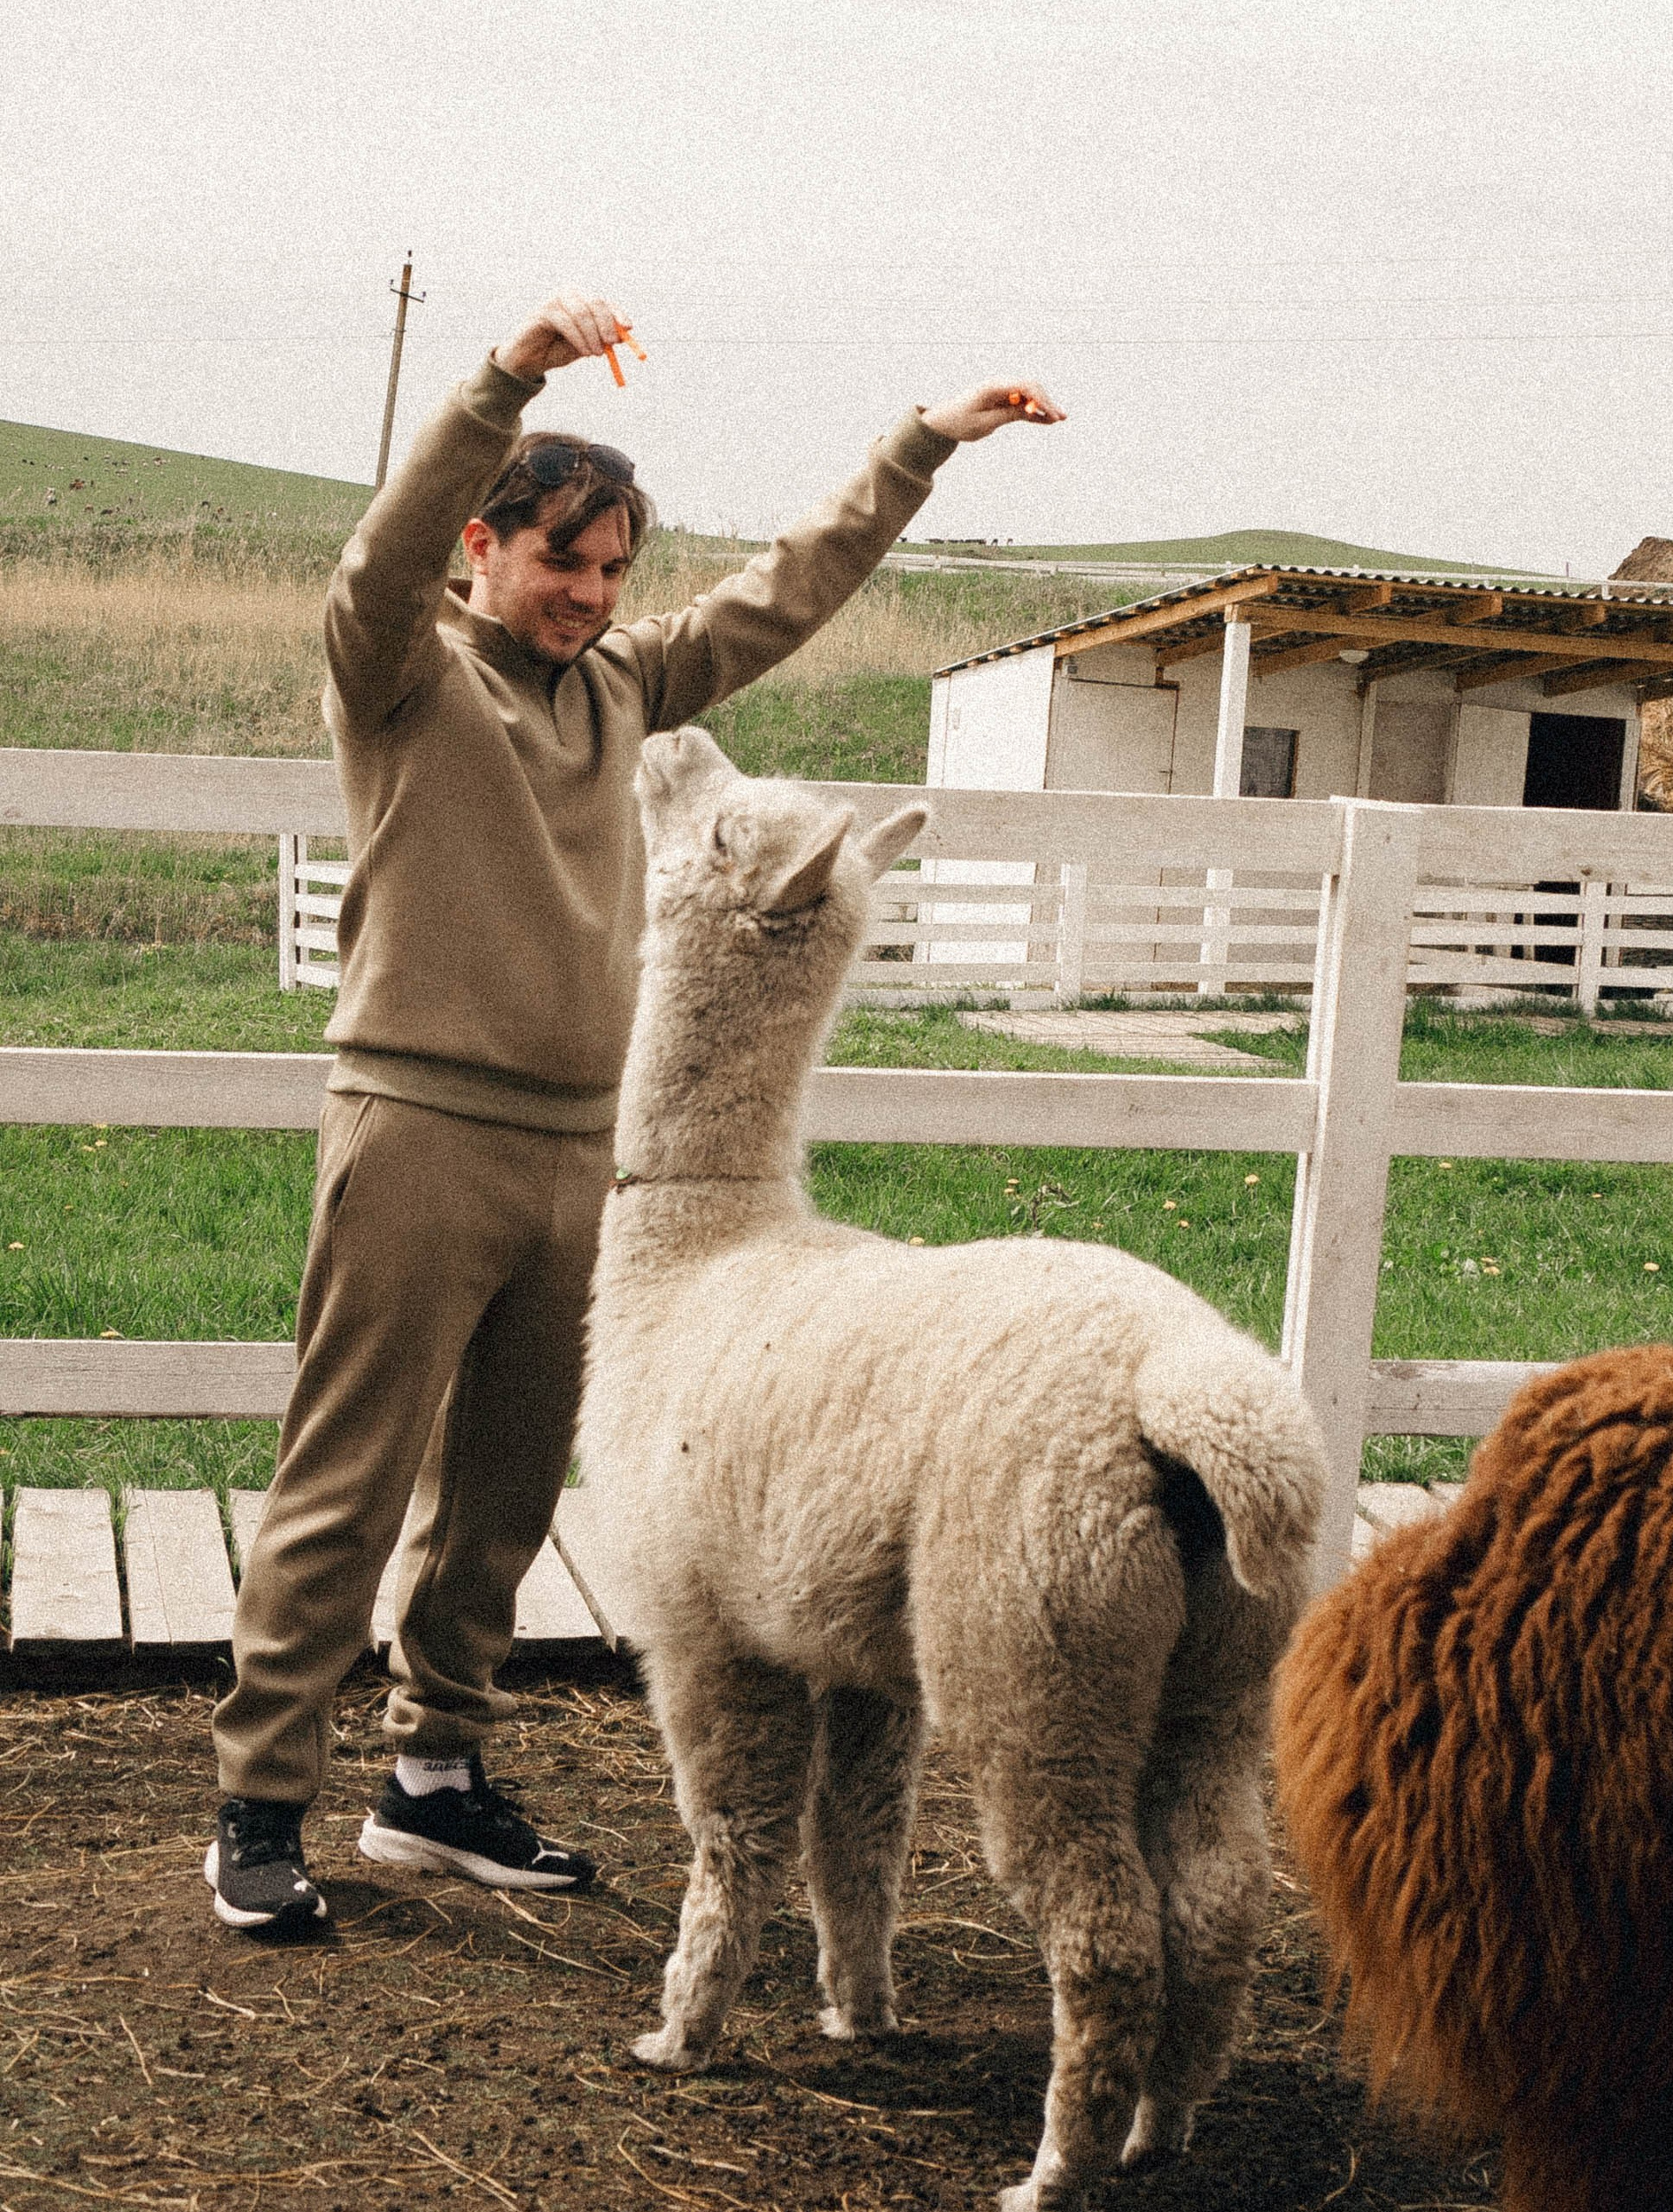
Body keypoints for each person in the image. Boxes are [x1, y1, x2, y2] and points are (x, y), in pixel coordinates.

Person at [207, 289, 1059, 1929]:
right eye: (563, 563)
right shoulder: (400, 677)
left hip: (583, 1155)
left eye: (611, 571)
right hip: (418, 1130)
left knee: (510, 1491)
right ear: (482, 549)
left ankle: (433, 1780)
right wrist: (502, 383)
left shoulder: (622, 686)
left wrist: (920, 449)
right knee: (349, 1478)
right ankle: (259, 1802)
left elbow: (784, 591)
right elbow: (374, 563)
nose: (591, 597)